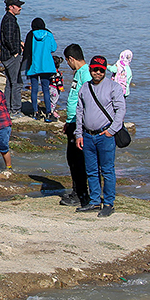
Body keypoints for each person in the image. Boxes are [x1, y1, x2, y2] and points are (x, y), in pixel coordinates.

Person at [75, 55, 125, 218]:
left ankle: (109, 203)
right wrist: (78, 134)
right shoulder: (84, 87)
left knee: (107, 171)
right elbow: (79, 111)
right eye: (95, 69)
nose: (97, 72)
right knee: (91, 171)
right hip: (88, 136)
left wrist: (112, 130)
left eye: (101, 70)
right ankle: (95, 201)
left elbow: (121, 111)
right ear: (90, 69)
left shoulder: (114, 87)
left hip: (105, 135)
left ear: (105, 70)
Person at [59, 44, 90, 208]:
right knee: (72, 159)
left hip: (80, 124)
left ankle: (80, 193)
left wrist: (79, 124)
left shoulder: (85, 74)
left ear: (71, 59)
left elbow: (86, 101)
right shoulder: (78, 73)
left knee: (77, 160)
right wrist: (68, 121)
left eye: (67, 61)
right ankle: (77, 190)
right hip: (73, 121)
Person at [22, 17, 58, 121]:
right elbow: (53, 48)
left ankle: (35, 112)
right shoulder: (49, 34)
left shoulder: (31, 35)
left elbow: (27, 51)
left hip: (34, 66)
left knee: (34, 89)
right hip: (47, 66)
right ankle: (48, 113)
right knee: (46, 89)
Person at [0, 0, 24, 116]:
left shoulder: (9, 19)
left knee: (10, 82)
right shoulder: (9, 20)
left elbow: (9, 37)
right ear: (10, 7)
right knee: (16, 83)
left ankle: (8, 108)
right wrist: (16, 51)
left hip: (7, 55)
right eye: (18, 6)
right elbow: (8, 38)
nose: (20, 8)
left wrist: (19, 43)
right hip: (10, 56)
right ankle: (15, 110)